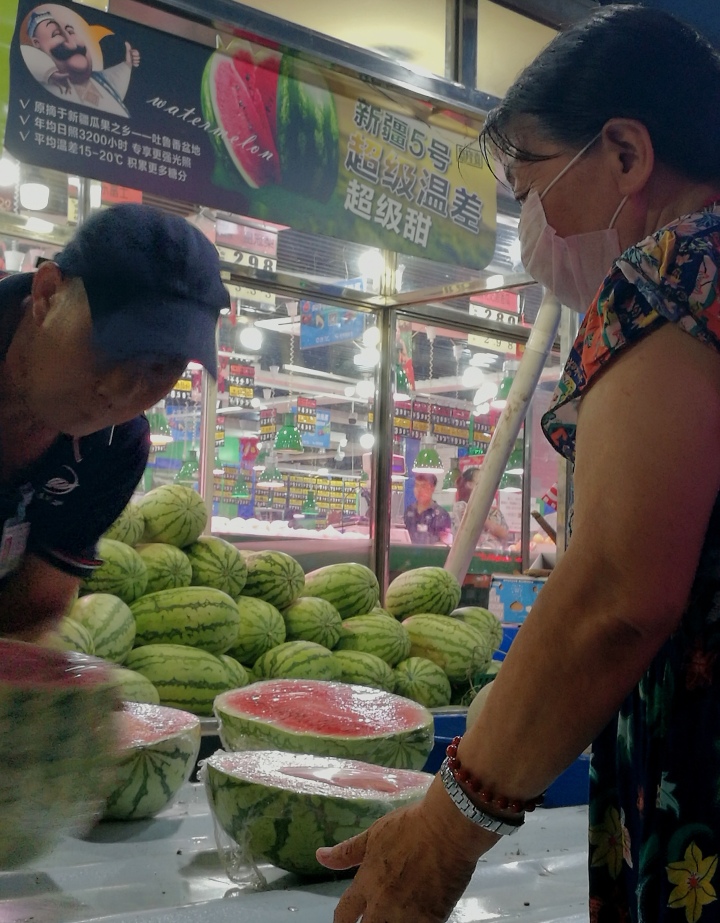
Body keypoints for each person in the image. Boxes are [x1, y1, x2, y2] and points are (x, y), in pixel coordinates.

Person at [317, 6, 720, 921]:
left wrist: (446, 828)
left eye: (529, 182)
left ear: (626, 154)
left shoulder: (674, 271)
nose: (528, 219)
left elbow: (617, 594)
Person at [0, 202, 228, 639]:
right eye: (112, 345)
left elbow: (35, 607)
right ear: (47, 294)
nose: (123, 391)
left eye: (161, 366)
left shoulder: (119, 446)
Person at [22, 6, 140, 116]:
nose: (72, 44)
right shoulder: (43, 84)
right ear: (36, 43)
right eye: (56, 34)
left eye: (71, 31)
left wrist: (127, 65)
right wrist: (50, 73)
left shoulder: (99, 81)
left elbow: (113, 84)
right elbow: (25, 53)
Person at [452, 467, 509, 549]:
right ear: (469, 484)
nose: (486, 482)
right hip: (472, 555)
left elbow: (505, 534)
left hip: (496, 554)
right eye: (481, 479)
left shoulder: (495, 511)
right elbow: (461, 537)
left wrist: (481, 519)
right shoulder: (461, 507)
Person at [403, 473, 452, 545]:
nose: (419, 490)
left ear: (432, 489)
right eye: (416, 486)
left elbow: (446, 543)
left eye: (423, 486)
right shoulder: (409, 511)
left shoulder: (441, 515)